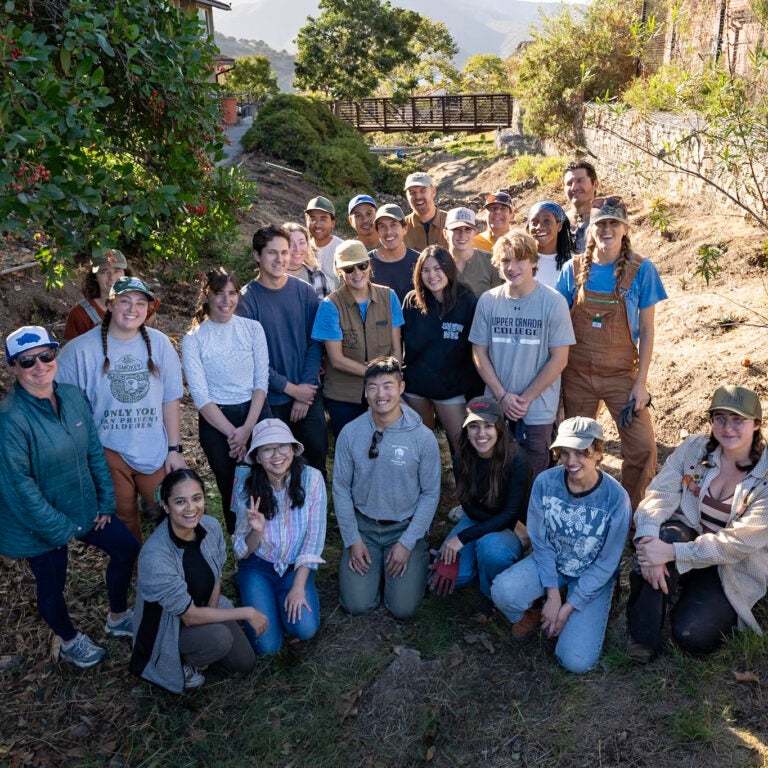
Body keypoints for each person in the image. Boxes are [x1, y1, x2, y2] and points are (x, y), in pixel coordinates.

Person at [0, 325, 139, 669]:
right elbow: (20, 487)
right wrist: (61, 528)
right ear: (13, 367)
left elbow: (93, 451)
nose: (40, 366)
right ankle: (69, 640)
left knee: (125, 547)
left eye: (46, 356)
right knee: (52, 585)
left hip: (82, 505)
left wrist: (106, 501)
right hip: (38, 523)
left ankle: (118, 617)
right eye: (27, 361)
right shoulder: (10, 419)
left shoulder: (73, 396)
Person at [627, 386, 768, 661]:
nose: (728, 428)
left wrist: (671, 554)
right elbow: (660, 494)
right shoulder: (694, 449)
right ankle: (642, 636)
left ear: (757, 425)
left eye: (738, 420)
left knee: (693, 636)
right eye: (720, 418)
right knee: (661, 537)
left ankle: (687, 587)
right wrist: (647, 541)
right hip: (689, 537)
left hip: (731, 566)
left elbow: (738, 544)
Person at [491, 417, 631, 673]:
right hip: (552, 563)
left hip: (591, 574)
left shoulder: (616, 498)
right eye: (565, 453)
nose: (571, 462)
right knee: (503, 591)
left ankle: (582, 610)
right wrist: (553, 594)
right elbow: (541, 544)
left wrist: (567, 608)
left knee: (576, 661)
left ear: (599, 453)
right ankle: (535, 612)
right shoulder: (546, 482)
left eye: (581, 453)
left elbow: (606, 563)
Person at [556, 196, 667, 510]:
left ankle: (631, 514)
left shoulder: (641, 270)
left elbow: (647, 331)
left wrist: (640, 383)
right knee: (574, 448)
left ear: (625, 228)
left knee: (642, 448)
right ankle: (580, 506)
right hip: (575, 375)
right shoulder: (573, 268)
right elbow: (556, 323)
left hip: (621, 376)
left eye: (613, 223)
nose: (606, 229)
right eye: (600, 223)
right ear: (591, 228)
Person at [57, 277, 186, 542]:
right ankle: (135, 570)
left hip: (154, 447)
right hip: (108, 449)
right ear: (110, 305)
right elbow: (56, 395)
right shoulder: (80, 350)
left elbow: (171, 398)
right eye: (125, 301)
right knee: (124, 516)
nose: (132, 309)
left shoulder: (160, 345)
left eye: (140, 303)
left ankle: (172, 568)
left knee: (166, 509)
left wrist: (174, 449)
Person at [131, 469, 264, 693]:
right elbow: (190, 617)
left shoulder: (210, 527)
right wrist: (246, 612)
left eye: (197, 498)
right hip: (168, 626)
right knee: (219, 638)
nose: (191, 508)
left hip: (203, 606)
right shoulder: (155, 555)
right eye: (180, 501)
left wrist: (212, 615)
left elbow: (215, 576)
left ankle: (204, 647)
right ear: (166, 505)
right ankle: (182, 663)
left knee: (245, 664)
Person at [333, 357, 441, 619]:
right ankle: (373, 569)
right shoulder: (350, 433)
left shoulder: (423, 437)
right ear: (365, 391)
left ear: (401, 388)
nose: (381, 394)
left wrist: (406, 543)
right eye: (372, 387)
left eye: (388, 386)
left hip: (403, 527)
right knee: (356, 605)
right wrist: (353, 539)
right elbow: (340, 488)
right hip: (365, 527)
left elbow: (430, 494)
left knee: (403, 609)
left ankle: (416, 556)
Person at [470, 230, 575, 477]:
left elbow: (560, 358)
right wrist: (503, 395)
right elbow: (479, 352)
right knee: (495, 470)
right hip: (496, 405)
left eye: (520, 259)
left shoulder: (553, 302)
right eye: (506, 260)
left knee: (532, 475)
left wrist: (525, 399)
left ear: (534, 261)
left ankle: (526, 517)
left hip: (537, 409)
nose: (512, 267)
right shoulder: (488, 301)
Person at [182, 267, 269, 534]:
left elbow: (260, 382)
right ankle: (239, 542)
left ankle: (268, 539)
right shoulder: (194, 339)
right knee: (230, 484)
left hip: (255, 414)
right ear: (206, 296)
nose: (226, 300)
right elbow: (201, 396)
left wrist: (247, 430)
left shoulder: (252, 329)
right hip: (217, 422)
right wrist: (234, 434)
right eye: (218, 293)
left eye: (232, 293)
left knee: (264, 477)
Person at [236, 225, 327, 477]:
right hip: (270, 400)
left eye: (285, 252)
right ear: (257, 256)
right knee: (275, 467)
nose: (280, 259)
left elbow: (314, 343)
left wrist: (304, 390)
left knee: (315, 460)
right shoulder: (246, 300)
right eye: (272, 253)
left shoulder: (304, 292)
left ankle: (315, 511)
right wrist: (290, 389)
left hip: (307, 393)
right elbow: (252, 361)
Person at [232, 419, 327, 654]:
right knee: (268, 647)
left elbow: (314, 538)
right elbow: (240, 549)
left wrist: (298, 586)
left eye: (283, 446)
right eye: (267, 449)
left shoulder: (312, 478)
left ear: (293, 450)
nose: (277, 455)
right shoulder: (246, 484)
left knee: (305, 629)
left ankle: (281, 596)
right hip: (258, 566)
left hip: (294, 566)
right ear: (257, 456)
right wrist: (257, 531)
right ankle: (253, 589)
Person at [431, 397, 530, 598]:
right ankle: (480, 562)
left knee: (491, 549)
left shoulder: (518, 459)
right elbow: (467, 506)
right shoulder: (462, 457)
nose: (481, 433)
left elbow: (511, 513)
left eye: (488, 426)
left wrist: (464, 537)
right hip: (481, 519)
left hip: (514, 524)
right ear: (466, 430)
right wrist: (473, 533)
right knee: (453, 576)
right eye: (474, 426)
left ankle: (492, 592)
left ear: (500, 429)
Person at [312, 240, 403, 438]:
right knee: (350, 448)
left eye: (362, 265)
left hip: (384, 393)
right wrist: (378, 375)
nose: (357, 272)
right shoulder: (330, 306)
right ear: (339, 271)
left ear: (370, 265)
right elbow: (336, 359)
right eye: (349, 268)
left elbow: (397, 348)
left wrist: (390, 382)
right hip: (344, 395)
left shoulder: (390, 297)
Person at [401, 245, 482, 452]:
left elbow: (476, 348)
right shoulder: (412, 301)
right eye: (426, 270)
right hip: (416, 386)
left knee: (462, 447)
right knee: (421, 446)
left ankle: (465, 485)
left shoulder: (467, 300)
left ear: (449, 269)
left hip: (451, 389)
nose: (432, 276)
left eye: (438, 269)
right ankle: (430, 484)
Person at [63, 249, 157, 341]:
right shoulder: (80, 314)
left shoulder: (146, 302)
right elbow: (71, 351)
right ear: (95, 277)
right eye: (104, 272)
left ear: (126, 274)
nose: (111, 278)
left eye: (117, 271)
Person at [443, 207, 503, 297]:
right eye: (456, 229)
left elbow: (499, 300)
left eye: (467, 229)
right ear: (445, 233)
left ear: (474, 233)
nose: (462, 234)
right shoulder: (439, 264)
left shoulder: (491, 262)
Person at [369, 204, 421, 303]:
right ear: (377, 231)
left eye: (393, 225)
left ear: (405, 228)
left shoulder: (420, 261)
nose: (388, 232)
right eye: (382, 226)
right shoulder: (366, 264)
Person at [526, 201, 572, 288]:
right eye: (534, 222)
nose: (539, 227)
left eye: (546, 221)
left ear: (559, 226)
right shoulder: (520, 260)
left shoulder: (573, 262)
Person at [284, 221, 334, 299]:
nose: (297, 249)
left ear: (307, 245)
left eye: (301, 243)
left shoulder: (317, 276)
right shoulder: (272, 277)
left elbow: (328, 309)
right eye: (291, 244)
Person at [403, 172, 448, 251]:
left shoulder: (451, 222)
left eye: (422, 191)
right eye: (412, 193)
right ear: (407, 196)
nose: (418, 197)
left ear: (433, 192)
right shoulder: (401, 227)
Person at [305, 196, 343, 285]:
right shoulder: (301, 249)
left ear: (332, 223)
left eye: (323, 219)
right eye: (312, 218)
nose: (317, 225)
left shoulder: (342, 249)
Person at [563, 160, 598, 253]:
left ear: (595, 185)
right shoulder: (558, 223)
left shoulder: (606, 222)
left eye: (580, 181)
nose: (574, 187)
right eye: (569, 183)